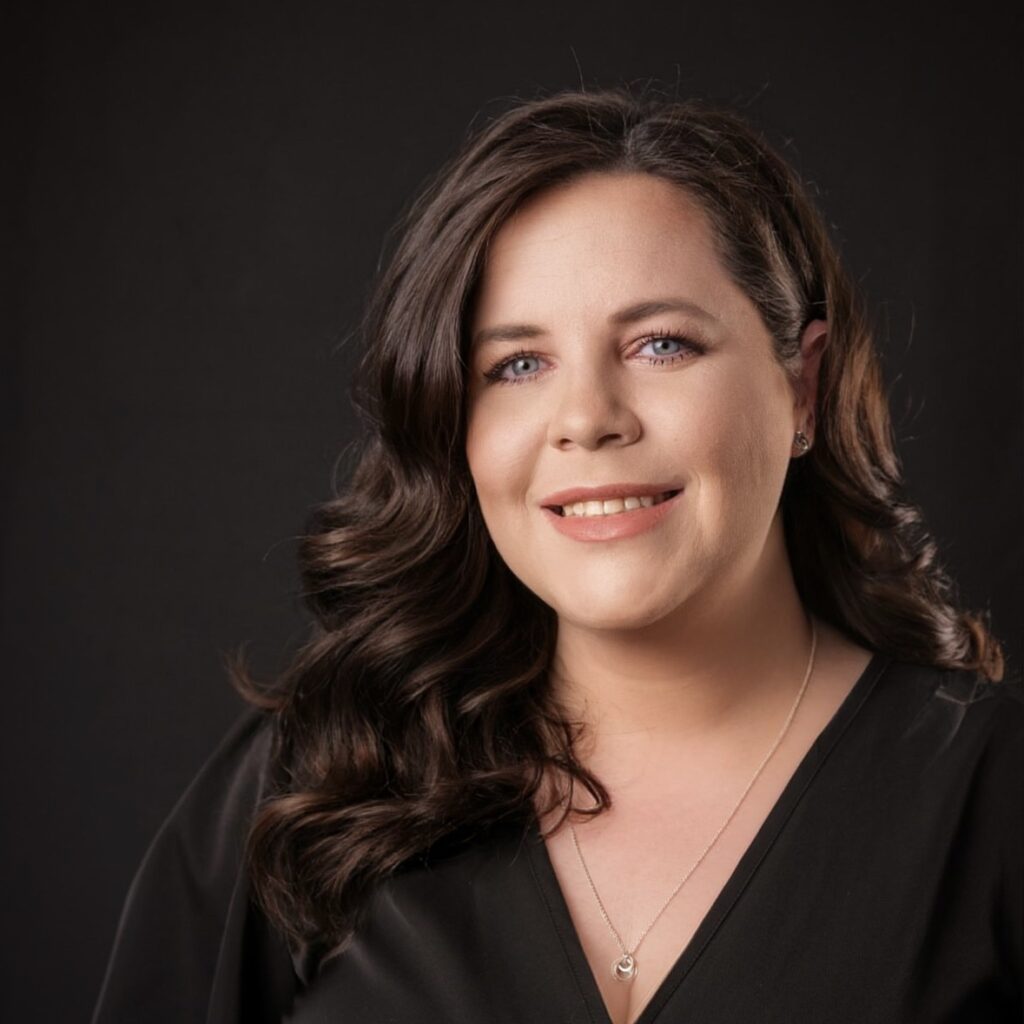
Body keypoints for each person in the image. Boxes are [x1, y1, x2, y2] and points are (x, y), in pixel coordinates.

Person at [91, 86, 1020, 1024]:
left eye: (661, 344)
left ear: (803, 388)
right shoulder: (314, 780)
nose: (586, 420)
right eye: (517, 366)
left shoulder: (991, 802)